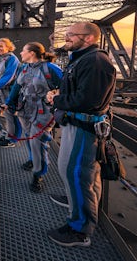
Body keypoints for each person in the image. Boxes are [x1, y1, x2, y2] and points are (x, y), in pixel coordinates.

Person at [46, 22, 117, 247]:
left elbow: (88, 100)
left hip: (84, 128)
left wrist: (56, 99)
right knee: (80, 174)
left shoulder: (96, 61)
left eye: (71, 35)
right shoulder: (83, 59)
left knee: (76, 173)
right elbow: (78, 91)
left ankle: (79, 230)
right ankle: (75, 199)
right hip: (77, 124)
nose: (66, 38)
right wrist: (60, 94)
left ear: (88, 38)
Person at [3, 42, 62, 192]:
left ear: (32, 53)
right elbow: (17, 87)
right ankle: (32, 160)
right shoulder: (24, 68)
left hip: (43, 112)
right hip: (25, 109)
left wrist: (56, 97)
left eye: (23, 51)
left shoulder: (50, 68)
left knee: (38, 142)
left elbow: (66, 87)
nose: (21, 53)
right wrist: (8, 103)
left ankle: (38, 175)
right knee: (30, 137)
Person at [0, 38, 20, 147]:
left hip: (10, 91)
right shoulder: (2, 58)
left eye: (1, 46)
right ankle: (6, 136)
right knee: (6, 115)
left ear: (8, 47)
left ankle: (12, 141)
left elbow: (8, 77)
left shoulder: (12, 59)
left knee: (11, 116)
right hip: (3, 91)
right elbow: (0, 75)